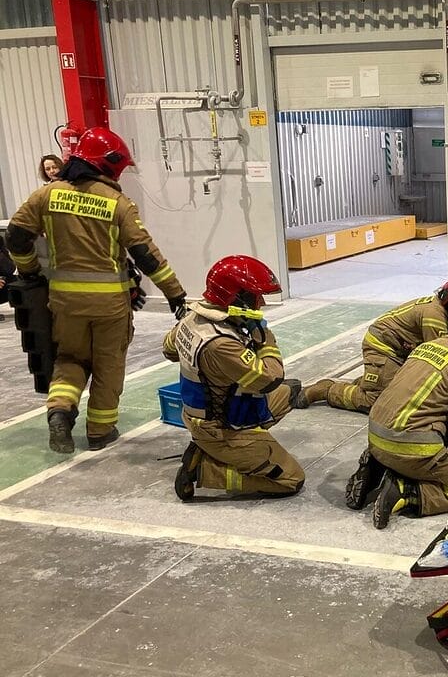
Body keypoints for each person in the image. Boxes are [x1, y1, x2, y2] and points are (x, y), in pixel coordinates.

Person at [5, 126, 187, 453]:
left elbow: (15, 236)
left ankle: (60, 412)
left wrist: (30, 270)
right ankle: (100, 431)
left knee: (70, 359)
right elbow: (145, 254)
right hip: (110, 308)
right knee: (107, 365)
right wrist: (175, 294)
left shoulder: (47, 195)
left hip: (64, 304)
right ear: (107, 164)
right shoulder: (118, 203)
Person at [162, 255, 305, 501]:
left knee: (291, 391)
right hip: (220, 428)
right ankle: (205, 470)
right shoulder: (220, 344)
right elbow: (271, 377)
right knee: (291, 479)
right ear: (233, 297)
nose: (259, 303)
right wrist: (266, 340)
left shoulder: (193, 319)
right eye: (253, 296)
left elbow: (169, 349)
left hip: (209, 412)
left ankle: (210, 448)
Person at [345, 304, 448, 529]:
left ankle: (380, 467)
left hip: (375, 434)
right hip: (410, 446)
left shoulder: (425, 346)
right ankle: (407, 492)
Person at [294, 274, 448, 412]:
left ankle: (371, 381)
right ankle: (326, 390)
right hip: (383, 348)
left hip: (395, 349)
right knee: (378, 401)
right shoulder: (435, 317)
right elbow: (439, 363)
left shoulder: (437, 308)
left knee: (390, 385)